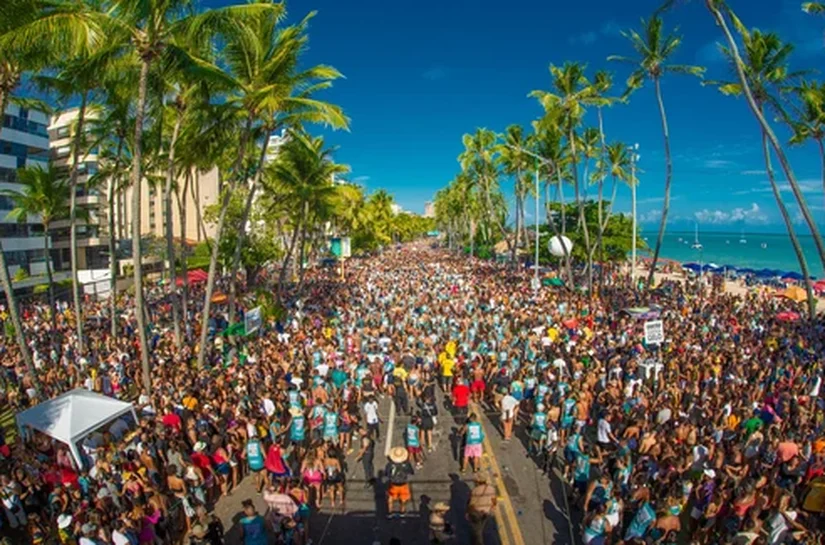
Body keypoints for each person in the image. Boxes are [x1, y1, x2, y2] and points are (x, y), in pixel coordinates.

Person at [385, 446, 414, 517]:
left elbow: (386, 473)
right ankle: (402, 512)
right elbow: (411, 472)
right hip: (403, 484)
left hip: (393, 484)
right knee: (403, 499)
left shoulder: (390, 464)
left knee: (390, 497)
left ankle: (390, 512)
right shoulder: (406, 464)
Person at [467, 475, 496, 545]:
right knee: (481, 527)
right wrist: (492, 507)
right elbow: (494, 500)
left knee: (477, 530)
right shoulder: (491, 489)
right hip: (486, 512)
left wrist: (467, 512)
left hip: (476, 512)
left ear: (478, 482)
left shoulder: (475, 490)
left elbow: (471, 504)